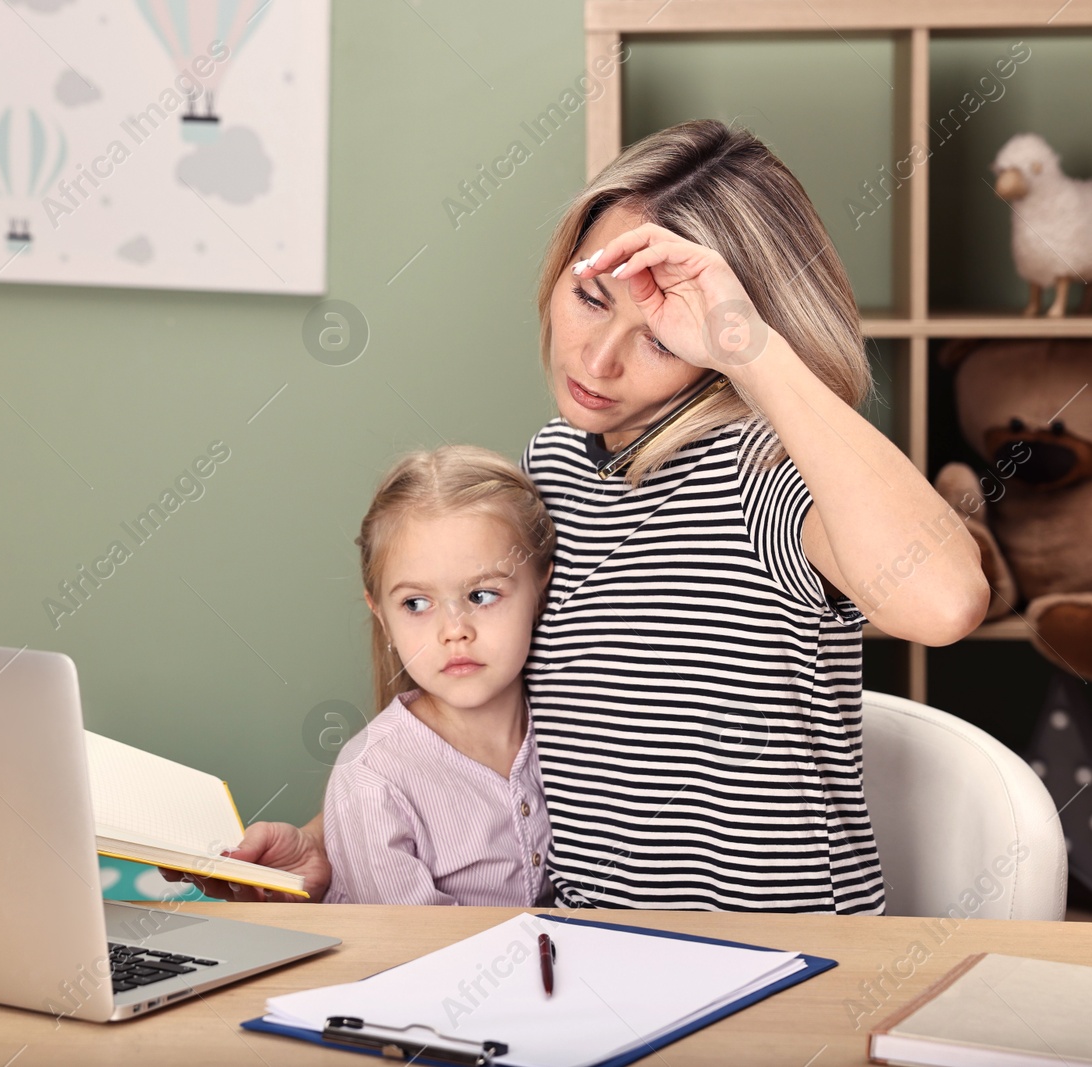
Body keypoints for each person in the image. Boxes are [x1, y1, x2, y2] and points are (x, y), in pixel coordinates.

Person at [168, 119, 989, 910]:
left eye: (665, 338)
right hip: (588, 961)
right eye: (592, 298)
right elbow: (500, 703)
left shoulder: (761, 472)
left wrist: (747, 341)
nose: (599, 360)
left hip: (777, 971)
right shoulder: (555, 463)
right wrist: (335, 843)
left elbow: (947, 602)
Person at [320, 444, 556, 905]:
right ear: (382, 614)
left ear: (540, 589)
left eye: (483, 595)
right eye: (416, 604)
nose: (454, 632)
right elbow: (415, 956)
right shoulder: (371, 778)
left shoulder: (573, 736)